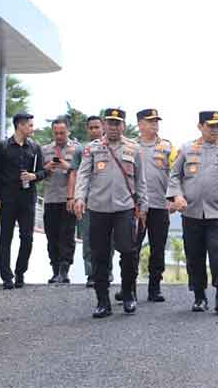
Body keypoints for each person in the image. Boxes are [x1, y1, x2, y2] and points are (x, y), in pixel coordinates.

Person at [167, 111, 218, 314]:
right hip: (191, 211)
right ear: (200, 126)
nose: (215, 129)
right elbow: (174, 175)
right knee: (194, 255)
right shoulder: (186, 148)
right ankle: (199, 296)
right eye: (210, 125)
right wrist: (177, 196)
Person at [74, 108, 148, 318]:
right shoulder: (92, 148)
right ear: (105, 125)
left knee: (128, 252)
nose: (114, 127)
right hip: (98, 209)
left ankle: (128, 294)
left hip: (124, 209)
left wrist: (144, 207)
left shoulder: (134, 149)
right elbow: (83, 175)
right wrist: (79, 198)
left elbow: (141, 181)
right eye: (110, 123)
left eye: (118, 123)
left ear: (123, 125)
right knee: (99, 255)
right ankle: (102, 301)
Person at [0, 113, 44, 289]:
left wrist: (33, 176)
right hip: (7, 198)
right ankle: (6, 276)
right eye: (30, 125)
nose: (32, 129)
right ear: (20, 125)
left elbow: (43, 172)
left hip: (27, 198)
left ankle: (20, 272)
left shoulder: (35, 148)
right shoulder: (2, 147)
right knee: (6, 237)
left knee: (27, 237)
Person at [128, 108, 177, 302]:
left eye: (156, 121)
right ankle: (128, 287)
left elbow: (175, 174)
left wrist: (173, 198)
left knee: (158, 249)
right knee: (132, 248)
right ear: (140, 124)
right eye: (150, 121)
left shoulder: (167, 147)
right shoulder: (131, 146)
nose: (155, 124)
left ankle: (154, 287)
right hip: (136, 207)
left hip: (159, 205)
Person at [67, 115, 113, 287]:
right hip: (86, 201)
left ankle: (106, 271)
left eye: (97, 127)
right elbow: (74, 173)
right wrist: (72, 197)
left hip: (109, 201)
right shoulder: (82, 150)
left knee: (109, 240)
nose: (94, 130)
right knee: (88, 238)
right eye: (91, 128)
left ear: (103, 128)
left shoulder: (112, 147)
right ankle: (92, 273)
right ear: (87, 130)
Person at [42, 118, 81, 285]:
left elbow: (82, 172)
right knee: (52, 236)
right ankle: (54, 269)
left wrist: (68, 167)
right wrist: (46, 168)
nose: (59, 136)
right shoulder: (44, 150)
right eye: (56, 133)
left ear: (68, 132)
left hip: (68, 198)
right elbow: (38, 173)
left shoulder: (77, 149)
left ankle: (64, 270)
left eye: (62, 133)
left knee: (67, 235)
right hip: (50, 198)